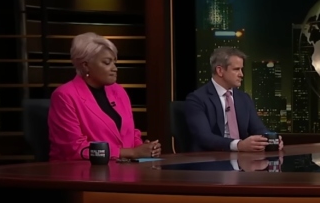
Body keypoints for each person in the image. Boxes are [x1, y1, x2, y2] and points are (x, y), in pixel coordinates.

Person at [48, 32, 161, 161]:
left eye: (114, 62)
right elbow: (75, 148)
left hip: (122, 171)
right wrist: (131, 153)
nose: (115, 68)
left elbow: (130, 132)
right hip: (80, 173)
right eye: (107, 63)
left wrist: (144, 148)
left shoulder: (118, 91)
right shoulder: (64, 96)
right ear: (86, 65)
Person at [185, 47, 284, 152]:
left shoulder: (244, 98)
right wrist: (238, 145)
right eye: (236, 69)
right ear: (220, 70)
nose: (241, 74)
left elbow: (258, 129)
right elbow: (204, 137)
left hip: (242, 160)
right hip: (210, 160)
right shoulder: (197, 99)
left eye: (241, 69)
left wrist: (271, 139)